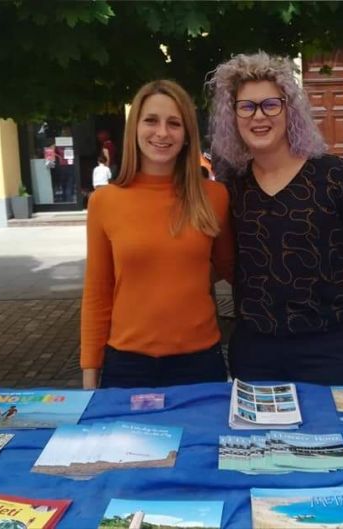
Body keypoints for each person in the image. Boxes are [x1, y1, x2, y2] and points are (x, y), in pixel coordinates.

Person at [207, 52, 343, 385]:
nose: (258, 116)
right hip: (254, 352)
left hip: (328, 349)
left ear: (289, 110)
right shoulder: (232, 186)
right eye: (246, 106)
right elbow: (227, 262)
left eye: (270, 105)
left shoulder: (336, 176)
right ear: (232, 116)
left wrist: (330, 291)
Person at [81, 80, 235, 389]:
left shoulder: (214, 196)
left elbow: (232, 268)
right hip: (127, 365)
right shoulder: (105, 201)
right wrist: (90, 369)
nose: (162, 133)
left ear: (187, 134)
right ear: (134, 128)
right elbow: (98, 291)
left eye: (174, 123)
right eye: (151, 120)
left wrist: (185, 273)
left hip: (200, 362)